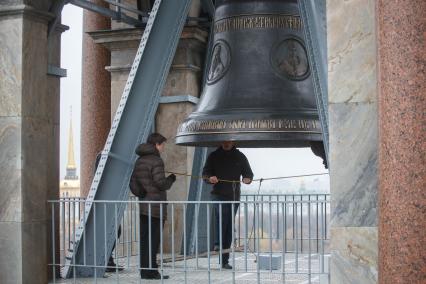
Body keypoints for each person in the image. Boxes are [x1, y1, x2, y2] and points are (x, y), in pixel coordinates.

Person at [129, 133, 176, 279]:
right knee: (153, 240)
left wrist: (142, 193)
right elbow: (161, 183)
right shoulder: (156, 160)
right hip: (155, 208)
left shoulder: (140, 160)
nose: (163, 148)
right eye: (162, 144)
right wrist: (171, 179)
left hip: (144, 206)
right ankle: (153, 272)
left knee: (145, 240)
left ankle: (145, 271)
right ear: (157, 144)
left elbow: (134, 183)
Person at [202, 141, 253, 269]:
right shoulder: (213, 156)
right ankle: (218, 243)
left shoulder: (240, 156)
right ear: (220, 142)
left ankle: (224, 260)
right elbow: (205, 174)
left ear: (233, 142)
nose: (226, 143)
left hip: (234, 196)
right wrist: (210, 178)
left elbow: (248, 174)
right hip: (218, 194)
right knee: (222, 216)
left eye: (228, 142)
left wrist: (248, 179)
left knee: (229, 226)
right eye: (224, 141)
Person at [94, 152, 123, 272]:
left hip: (107, 202)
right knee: (113, 231)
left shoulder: (103, 160)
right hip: (105, 203)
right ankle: (105, 260)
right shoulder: (103, 161)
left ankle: (108, 259)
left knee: (116, 230)